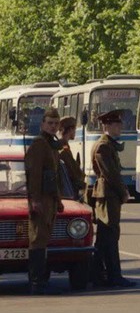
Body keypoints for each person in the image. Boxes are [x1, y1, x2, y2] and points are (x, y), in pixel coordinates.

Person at [91, 109, 137, 288]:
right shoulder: (103, 145)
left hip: (109, 193)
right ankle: (112, 276)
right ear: (107, 126)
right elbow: (110, 174)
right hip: (107, 194)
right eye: (116, 124)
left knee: (106, 237)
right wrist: (123, 192)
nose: (120, 127)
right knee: (109, 236)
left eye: (120, 124)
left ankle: (98, 275)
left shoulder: (108, 144)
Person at [25, 107, 64, 295]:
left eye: (56, 124)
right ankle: (36, 281)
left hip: (49, 199)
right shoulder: (40, 144)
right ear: (42, 124)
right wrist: (34, 200)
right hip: (40, 199)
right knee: (38, 240)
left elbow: (54, 176)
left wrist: (58, 199)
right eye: (50, 123)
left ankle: (41, 280)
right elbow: (35, 175)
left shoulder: (51, 145)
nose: (53, 127)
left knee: (43, 239)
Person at [58, 116, 85, 201]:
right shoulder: (63, 149)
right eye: (74, 129)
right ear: (70, 130)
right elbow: (73, 171)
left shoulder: (64, 146)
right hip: (67, 191)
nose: (75, 132)